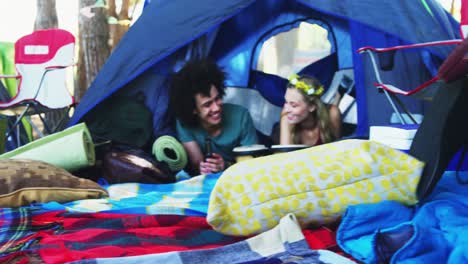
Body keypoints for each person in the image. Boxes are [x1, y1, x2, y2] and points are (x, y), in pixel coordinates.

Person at [169, 59, 258, 175]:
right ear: (193, 109)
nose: (216, 108)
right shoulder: (183, 123)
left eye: (217, 99)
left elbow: (252, 166)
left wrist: (225, 166)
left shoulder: (241, 116)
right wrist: (205, 169)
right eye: (207, 104)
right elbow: (197, 164)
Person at [278, 74, 341, 146]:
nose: (286, 109)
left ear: (311, 106)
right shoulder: (287, 116)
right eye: (286, 102)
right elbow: (286, 155)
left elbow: (337, 151)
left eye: (293, 105)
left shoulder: (332, 114)